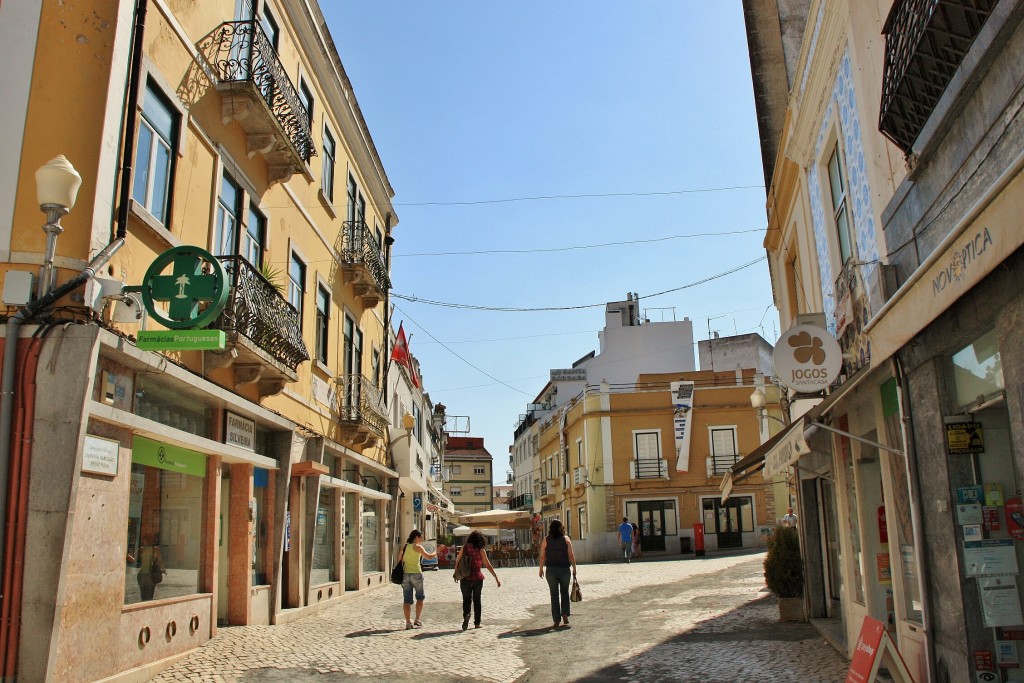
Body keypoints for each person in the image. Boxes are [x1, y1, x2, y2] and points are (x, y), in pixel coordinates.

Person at [454, 530, 501, 630]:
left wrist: (456, 574)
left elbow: (458, 561)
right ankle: (477, 623)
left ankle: (466, 615)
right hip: (477, 577)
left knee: (466, 599)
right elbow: (487, 565)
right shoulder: (481, 550)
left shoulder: (465, 547)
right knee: (477, 600)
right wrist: (495, 577)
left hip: (465, 577)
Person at [538, 519, 577, 629]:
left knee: (554, 595)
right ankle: (564, 614)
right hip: (564, 570)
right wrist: (574, 568)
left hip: (551, 570)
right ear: (561, 528)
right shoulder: (566, 539)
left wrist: (541, 569)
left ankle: (556, 620)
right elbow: (571, 555)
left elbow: (542, 556)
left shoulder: (546, 540)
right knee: (564, 592)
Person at [400, 529, 438, 629]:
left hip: (406, 574)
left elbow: (401, 559)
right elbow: (429, 557)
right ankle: (417, 619)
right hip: (416, 573)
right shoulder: (418, 547)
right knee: (420, 597)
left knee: (406, 600)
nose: (422, 539)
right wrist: (437, 551)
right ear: (416, 537)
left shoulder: (404, 547)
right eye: (421, 537)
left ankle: (408, 623)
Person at [131, 535, 164, 601]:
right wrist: (162, 569)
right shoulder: (143, 549)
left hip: (147, 575)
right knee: (147, 596)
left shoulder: (153, 550)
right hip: (146, 575)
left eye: (146, 540)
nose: (146, 541)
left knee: (145, 596)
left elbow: (133, 559)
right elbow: (161, 562)